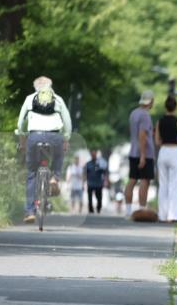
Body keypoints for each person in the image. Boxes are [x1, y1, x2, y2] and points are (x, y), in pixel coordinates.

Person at [15, 76, 72, 223]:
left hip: (34, 137)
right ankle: (55, 178)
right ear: (50, 86)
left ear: (36, 87)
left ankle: (29, 212)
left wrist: (22, 139)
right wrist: (66, 138)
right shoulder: (58, 99)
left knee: (32, 173)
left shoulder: (30, 98)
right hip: (54, 137)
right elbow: (67, 121)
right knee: (59, 156)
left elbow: (20, 123)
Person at [125, 91, 156, 213]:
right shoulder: (145, 115)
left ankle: (128, 210)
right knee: (144, 180)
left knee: (132, 179)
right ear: (151, 101)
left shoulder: (133, 113)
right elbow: (142, 134)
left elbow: (136, 132)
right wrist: (143, 155)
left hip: (133, 151)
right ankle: (142, 209)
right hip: (145, 153)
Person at [156, 96, 177, 223]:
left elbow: (157, 141)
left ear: (165, 107)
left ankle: (162, 215)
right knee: (174, 184)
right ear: (176, 107)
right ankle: (174, 215)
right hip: (175, 151)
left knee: (163, 184)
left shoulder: (159, 122)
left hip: (163, 151)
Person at [84, 149, 108, 214]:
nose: (93, 155)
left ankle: (99, 208)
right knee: (90, 197)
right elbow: (85, 173)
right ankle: (91, 210)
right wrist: (84, 182)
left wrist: (106, 181)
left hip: (98, 183)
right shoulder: (88, 164)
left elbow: (104, 172)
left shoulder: (101, 163)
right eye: (92, 154)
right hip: (90, 183)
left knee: (99, 197)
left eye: (94, 154)